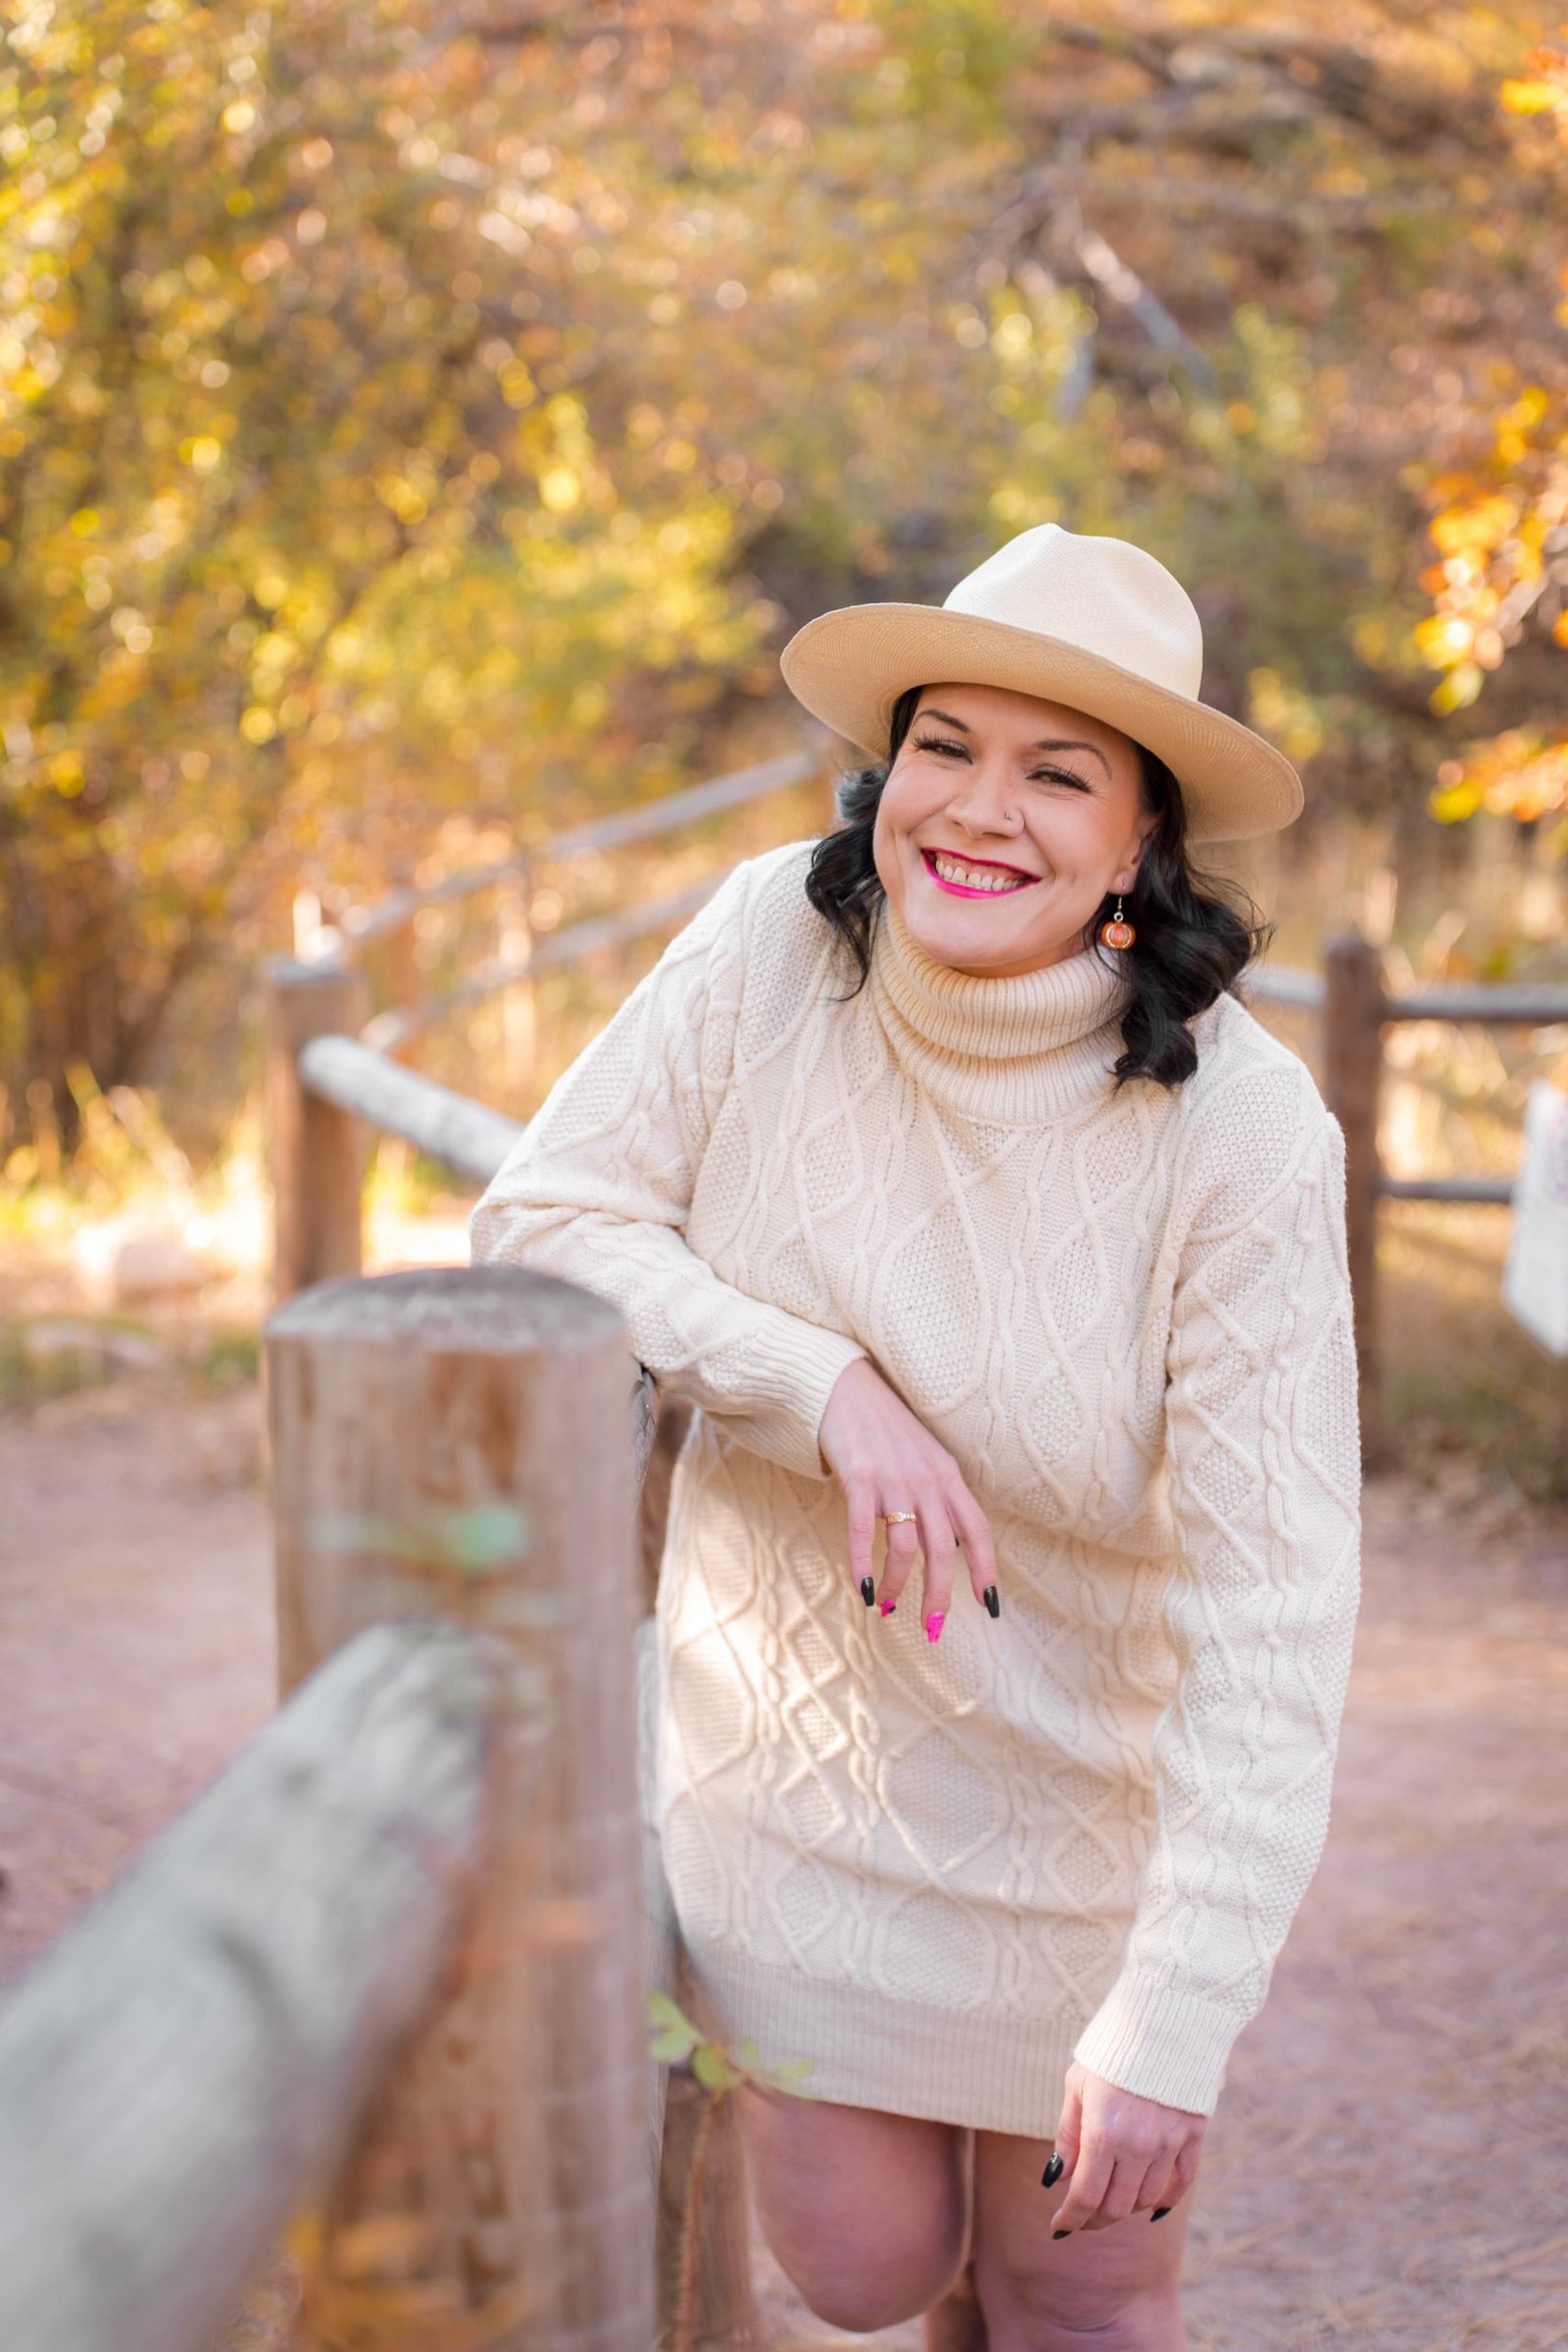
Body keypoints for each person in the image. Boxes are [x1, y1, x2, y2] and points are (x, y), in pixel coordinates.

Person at [469, 523, 1362, 2352]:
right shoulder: (763, 953)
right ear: (889, 770)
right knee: (869, 2276)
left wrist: (1174, 2015)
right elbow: (545, 1218)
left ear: (1142, 842)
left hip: (1096, 1823)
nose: (981, 808)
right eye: (947, 745)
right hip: (802, 1792)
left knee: (1086, 2299)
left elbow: (1275, 1618)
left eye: (1060, 772)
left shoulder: (1247, 1138)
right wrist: (819, 1387)